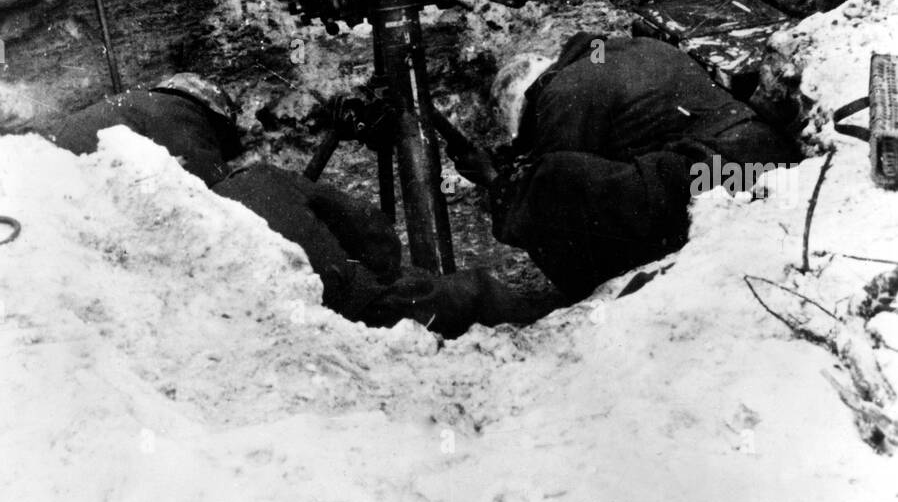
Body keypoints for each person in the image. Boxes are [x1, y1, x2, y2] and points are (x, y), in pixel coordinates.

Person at [51, 74, 529, 338]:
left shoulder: (124, 114)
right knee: (450, 295)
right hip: (328, 302)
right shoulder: (186, 130)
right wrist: (382, 272)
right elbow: (369, 229)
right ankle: (526, 312)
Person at [486, 32, 802, 301]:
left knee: (548, 183)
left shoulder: (559, 93)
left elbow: (556, 196)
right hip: (769, 157)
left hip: (717, 176)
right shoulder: (635, 47)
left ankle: (590, 303)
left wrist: (497, 185)